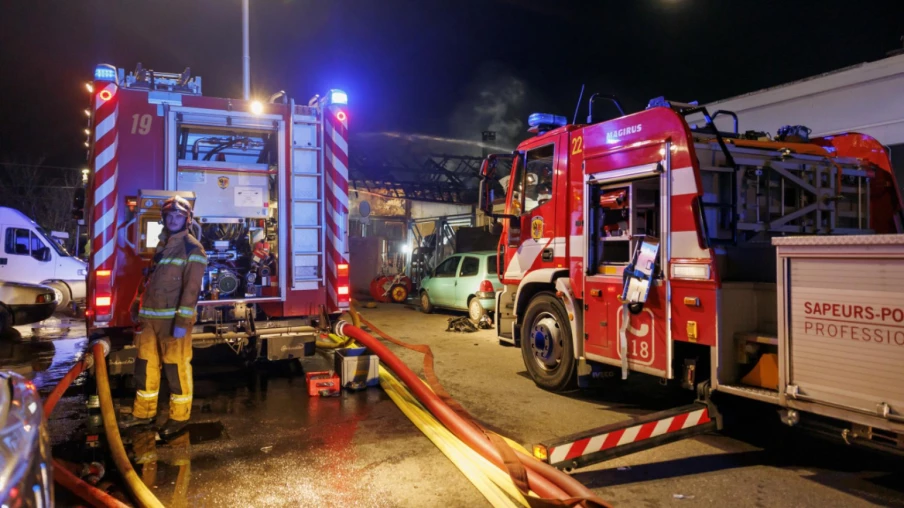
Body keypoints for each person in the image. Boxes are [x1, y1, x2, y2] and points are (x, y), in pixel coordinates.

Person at [118, 196, 207, 438]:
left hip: (172, 323)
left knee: (176, 369)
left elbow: (191, 291)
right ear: (164, 219)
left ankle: (179, 417)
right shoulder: (162, 246)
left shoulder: (193, 249)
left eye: (178, 216)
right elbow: (149, 280)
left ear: (187, 220)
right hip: (149, 320)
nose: (173, 219)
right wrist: (136, 303)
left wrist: (182, 323)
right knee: (145, 366)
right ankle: (143, 413)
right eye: (169, 216)